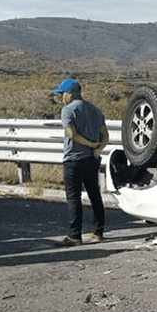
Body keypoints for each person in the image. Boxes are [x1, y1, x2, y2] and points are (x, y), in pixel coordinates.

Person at [53, 79, 108, 246]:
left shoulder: (68, 110)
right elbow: (105, 135)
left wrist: (90, 144)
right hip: (92, 159)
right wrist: (97, 149)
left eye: (62, 94)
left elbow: (72, 134)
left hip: (74, 159)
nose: (62, 97)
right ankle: (98, 232)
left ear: (70, 93)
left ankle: (75, 236)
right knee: (95, 195)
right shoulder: (95, 110)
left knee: (74, 198)